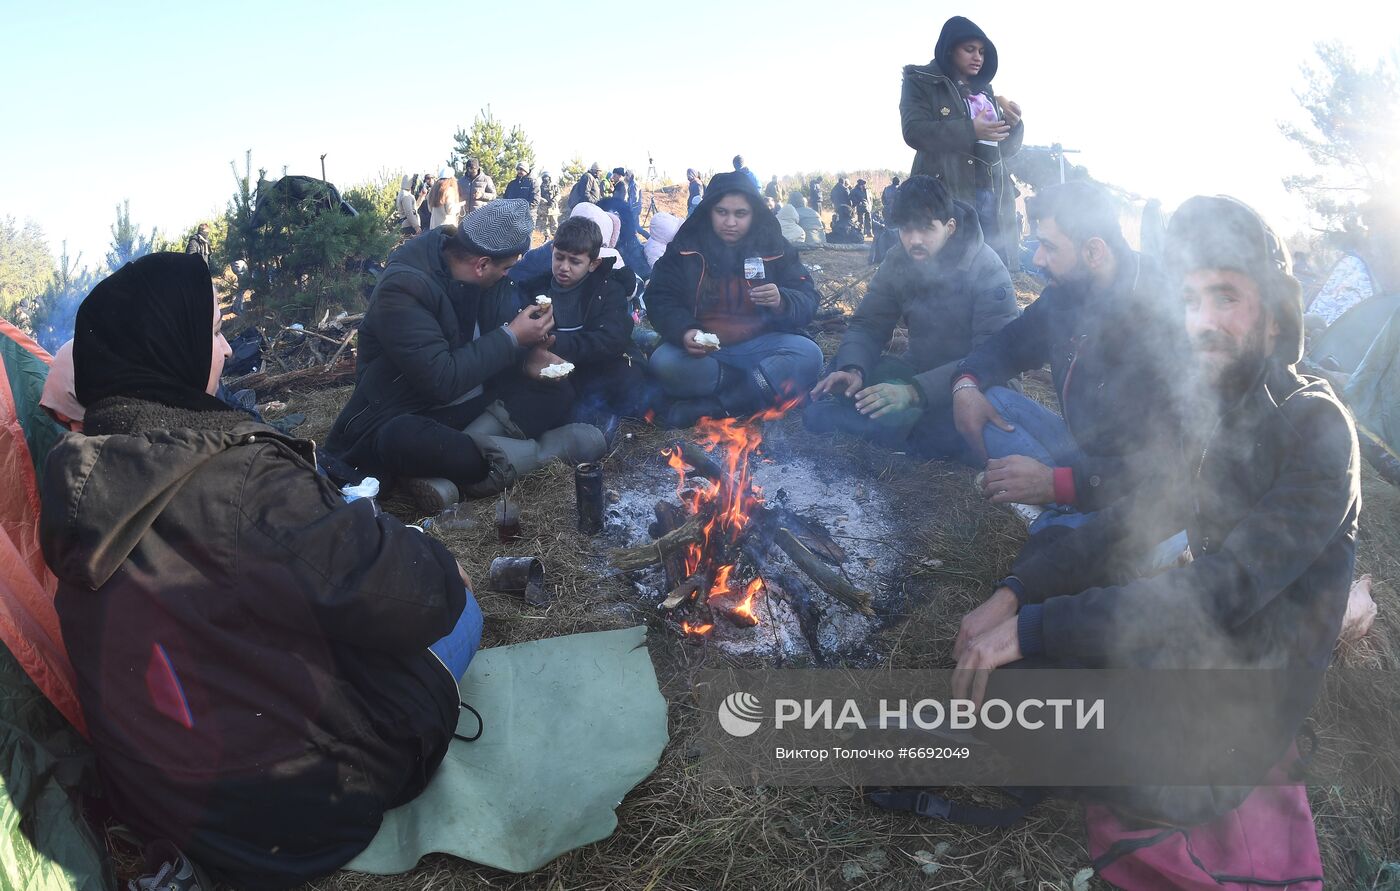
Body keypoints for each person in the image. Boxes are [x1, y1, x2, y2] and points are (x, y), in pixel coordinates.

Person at [39, 252, 484, 889]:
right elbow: (410, 594)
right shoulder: (238, 480)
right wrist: (442, 570)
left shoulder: (76, 483)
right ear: (172, 347)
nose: (224, 347)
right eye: (215, 331)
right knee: (458, 602)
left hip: (163, 808)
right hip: (292, 815)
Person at [952, 194, 1359, 831]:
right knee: (1005, 671)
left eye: (1226, 297)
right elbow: (1130, 519)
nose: (1203, 320)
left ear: (1275, 318)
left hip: (1224, 725)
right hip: (1176, 657)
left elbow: (1217, 592)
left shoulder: (1317, 429)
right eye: (1191, 300)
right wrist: (1015, 595)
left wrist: (1035, 629)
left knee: (1010, 694)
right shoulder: (1215, 405)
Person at [325, 200, 605, 513]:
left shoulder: (485, 280)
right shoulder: (403, 290)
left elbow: (486, 352)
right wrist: (512, 337)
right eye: (506, 269)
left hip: (473, 403)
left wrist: (526, 361)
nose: (508, 276)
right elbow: (441, 380)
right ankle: (540, 452)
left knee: (557, 390)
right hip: (414, 413)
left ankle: (447, 473)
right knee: (398, 437)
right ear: (482, 265)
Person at [952, 181, 1185, 531]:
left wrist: (1057, 483)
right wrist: (965, 383)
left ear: (1094, 251)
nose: (1037, 259)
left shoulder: (1161, 314)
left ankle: (1061, 522)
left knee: (1113, 540)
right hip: (1082, 452)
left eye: (1048, 247)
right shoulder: (1068, 293)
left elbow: (1167, 462)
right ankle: (1058, 513)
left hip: (1142, 488)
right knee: (992, 400)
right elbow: (1010, 343)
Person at [806, 175, 1017, 457]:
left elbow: (995, 356)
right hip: (919, 371)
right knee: (844, 379)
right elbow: (869, 324)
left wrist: (914, 392)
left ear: (950, 227)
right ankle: (888, 422)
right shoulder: (898, 260)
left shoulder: (986, 268)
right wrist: (854, 368)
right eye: (906, 229)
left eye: (926, 229)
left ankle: (899, 429)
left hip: (977, 382)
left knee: (942, 429)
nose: (914, 240)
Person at [645, 171, 822, 427]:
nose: (730, 222)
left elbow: (807, 295)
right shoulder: (685, 246)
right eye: (721, 212)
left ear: (754, 213)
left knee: (809, 355)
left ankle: (720, 405)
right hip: (707, 352)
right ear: (708, 211)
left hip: (762, 344)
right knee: (664, 363)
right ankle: (758, 387)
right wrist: (685, 332)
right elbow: (660, 297)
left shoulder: (774, 246)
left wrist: (782, 300)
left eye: (740, 214)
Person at [900, 16, 1024, 268]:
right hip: (948, 190)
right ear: (949, 49)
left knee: (990, 264)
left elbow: (1005, 151)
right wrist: (970, 129)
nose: (978, 57)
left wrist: (1014, 126)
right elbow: (913, 131)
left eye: (981, 51)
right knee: (950, 266)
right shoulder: (920, 80)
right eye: (969, 49)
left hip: (993, 194)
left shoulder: (986, 92)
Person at [515, 215, 646, 425]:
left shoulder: (608, 289)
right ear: (552, 252)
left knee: (627, 376)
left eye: (575, 261)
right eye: (559, 257)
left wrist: (556, 343)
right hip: (554, 368)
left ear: (593, 264)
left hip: (596, 363)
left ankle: (608, 418)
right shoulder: (535, 291)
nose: (564, 267)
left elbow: (611, 339)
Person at [537, 170, 559, 238]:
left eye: (547, 177)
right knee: (544, 224)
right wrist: (545, 201)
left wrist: (554, 200)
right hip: (544, 209)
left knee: (554, 223)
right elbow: (538, 196)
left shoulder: (554, 186)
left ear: (550, 177)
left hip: (553, 209)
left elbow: (558, 194)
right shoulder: (539, 187)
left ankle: (555, 238)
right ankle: (546, 237)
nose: (545, 178)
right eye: (544, 177)